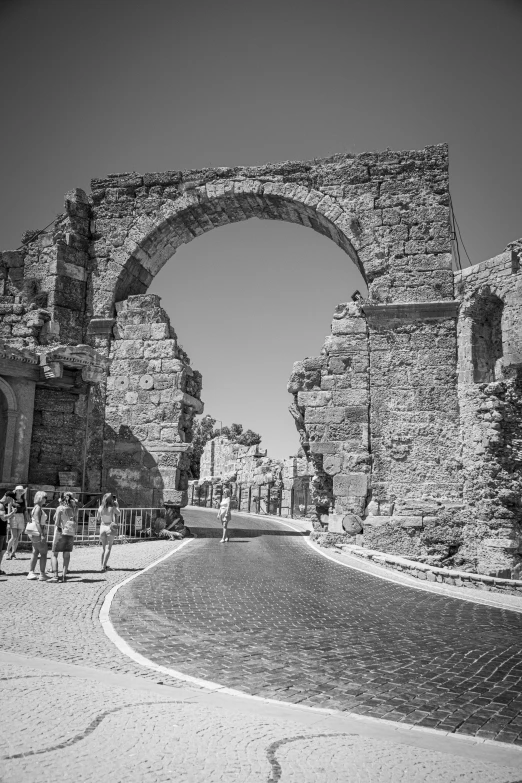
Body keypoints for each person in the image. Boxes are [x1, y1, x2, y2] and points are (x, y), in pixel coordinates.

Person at [50, 492, 77, 582]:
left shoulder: (60, 508)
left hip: (60, 532)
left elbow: (57, 522)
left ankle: (55, 576)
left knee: (54, 554)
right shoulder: (73, 508)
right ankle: (64, 576)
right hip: (70, 533)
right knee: (66, 555)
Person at [26, 491, 51, 581]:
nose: (46, 499)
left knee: (35, 552)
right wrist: (42, 534)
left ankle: (31, 572)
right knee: (43, 553)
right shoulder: (38, 508)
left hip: (34, 533)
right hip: (38, 532)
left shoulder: (36, 507)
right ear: (41, 498)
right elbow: (37, 522)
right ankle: (42, 573)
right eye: (45, 497)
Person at [97, 493, 120, 572]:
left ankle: (102, 565)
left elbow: (98, 519)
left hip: (102, 527)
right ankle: (104, 566)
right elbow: (119, 513)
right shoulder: (112, 507)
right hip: (109, 527)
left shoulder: (100, 508)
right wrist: (117, 505)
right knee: (108, 548)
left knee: (103, 548)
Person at [6, 484, 27, 560]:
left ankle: (13, 553)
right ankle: (7, 552)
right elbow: (8, 511)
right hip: (13, 517)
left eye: (22, 490)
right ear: (16, 491)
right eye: (19, 490)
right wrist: (8, 522)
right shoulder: (11, 499)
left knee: (17, 537)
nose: (21, 491)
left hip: (21, 517)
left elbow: (25, 510)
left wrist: (27, 519)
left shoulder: (24, 500)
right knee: (13, 536)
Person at [0, 492, 17, 575]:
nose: (11, 501)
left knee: (3, 550)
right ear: (7, 497)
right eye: (11, 498)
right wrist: (12, 513)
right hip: (0, 532)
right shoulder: (1, 505)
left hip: (2, 531)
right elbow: (3, 518)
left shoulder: (3, 505)